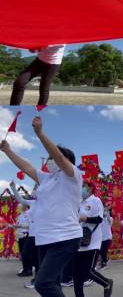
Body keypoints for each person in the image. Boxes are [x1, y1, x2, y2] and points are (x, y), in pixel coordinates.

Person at [1, 116, 82, 297]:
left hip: (65, 237)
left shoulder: (73, 176)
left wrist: (39, 133)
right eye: (49, 158)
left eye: (52, 157)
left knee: (43, 283)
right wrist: (7, 151)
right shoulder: (46, 178)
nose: (49, 160)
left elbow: (60, 158)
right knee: (53, 282)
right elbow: (26, 166)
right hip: (45, 238)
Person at [73, 181, 114, 297]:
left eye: (84, 186)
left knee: (87, 270)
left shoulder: (96, 201)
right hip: (79, 240)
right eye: (80, 186)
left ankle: (107, 283)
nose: (81, 189)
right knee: (76, 274)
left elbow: (99, 219)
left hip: (92, 241)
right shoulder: (79, 202)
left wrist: (85, 218)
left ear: (91, 188)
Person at [9, 182, 39, 288]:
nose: (34, 191)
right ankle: (37, 277)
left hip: (40, 235)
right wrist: (13, 188)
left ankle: (38, 279)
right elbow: (20, 199)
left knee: (36, 257)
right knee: (27, 254)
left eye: (36, 188)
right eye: (34, 188)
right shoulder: (33, 203)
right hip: (32, 235)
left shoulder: (45, 203)